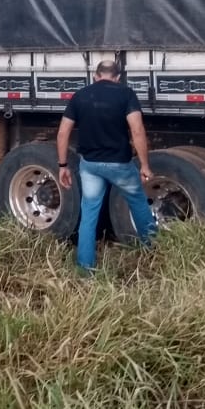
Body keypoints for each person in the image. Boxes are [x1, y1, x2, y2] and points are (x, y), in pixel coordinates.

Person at [56, 59, 157, 269]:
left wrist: (63, 165)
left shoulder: (80, 95)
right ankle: (154, 253)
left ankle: (86, 268)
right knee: (138, 203)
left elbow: (63, 132)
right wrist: (145, 165)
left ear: (95, 76)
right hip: (120, 165)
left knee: (89, 213)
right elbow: (137, 130)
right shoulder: (126, 94)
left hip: (90, 165)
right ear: (118, 77)